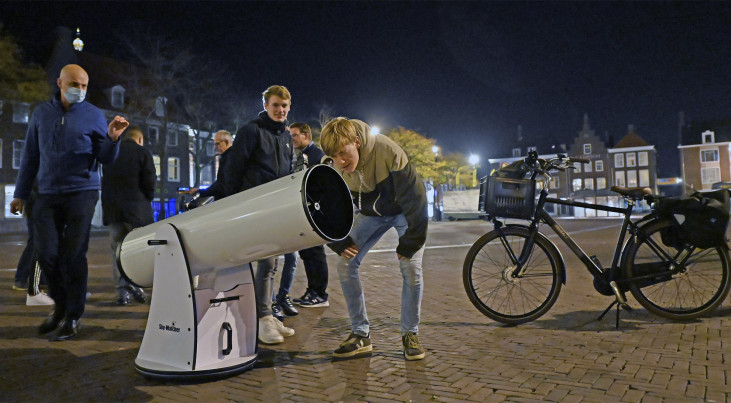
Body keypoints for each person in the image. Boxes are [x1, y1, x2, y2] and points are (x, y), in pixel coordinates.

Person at [10, 64, 128, 341]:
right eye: (75, 84)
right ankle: (59, 308)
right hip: (47, 193)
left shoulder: (94, 115)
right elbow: (30, 155)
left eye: (85, 85)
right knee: (45, 253)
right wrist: (20, 193)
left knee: (73, 255)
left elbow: (105, 157)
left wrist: (112, 138)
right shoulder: (41, 113)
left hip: (82, 192)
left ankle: (73, 315)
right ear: (60, 82)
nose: (80, 90)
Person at [320, 117, 428, 361]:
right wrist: (337, 240)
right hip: (371, 214)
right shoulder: (331, 166)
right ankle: (360, 334)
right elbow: (323, 209)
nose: (340, 161)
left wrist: (411, 241)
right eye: (334, 156)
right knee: (345, 264)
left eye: (343, 152)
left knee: (411, 267)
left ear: (356, 142)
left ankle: (410, 334)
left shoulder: (387, 150)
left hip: (403, 211)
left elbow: (417, 199)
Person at [223, 85, 295, 345]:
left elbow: (287, 171)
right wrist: (232, 204)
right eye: (276, 105)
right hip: (254, 206)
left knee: (271, 262)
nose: (281, 110)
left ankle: (266, 313)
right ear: (266, 105)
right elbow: (235, 168)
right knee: (264, 261)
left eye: (285, 106)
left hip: (275, 207)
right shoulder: (251, 131)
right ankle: (261, 317)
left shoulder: (285, 136)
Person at [101, 126, 156, 306]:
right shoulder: (142, 153)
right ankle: (137, 285)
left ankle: (122, 291)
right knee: (139, 250)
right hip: (137, 212)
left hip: (114, 211)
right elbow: (150, 181)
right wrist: (147, 198)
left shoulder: (111, 153)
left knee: (117, 250)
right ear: (139, 139)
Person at [288, 123, 331, 308]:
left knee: (315, 252)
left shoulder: (316, 156)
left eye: (295, 135)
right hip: (306, 210)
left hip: (315, 211)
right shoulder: (304, 155)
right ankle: (312, 290)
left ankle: (320, 294)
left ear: (306, 135)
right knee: (308, 252)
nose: (292, 139)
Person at [187, 130, 233, 200]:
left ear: (226, 142)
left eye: (217, 144)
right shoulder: (228, 158)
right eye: (215, 144)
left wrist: (201, 192)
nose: (215, 147)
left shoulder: (230, 159)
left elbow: (221, 185)